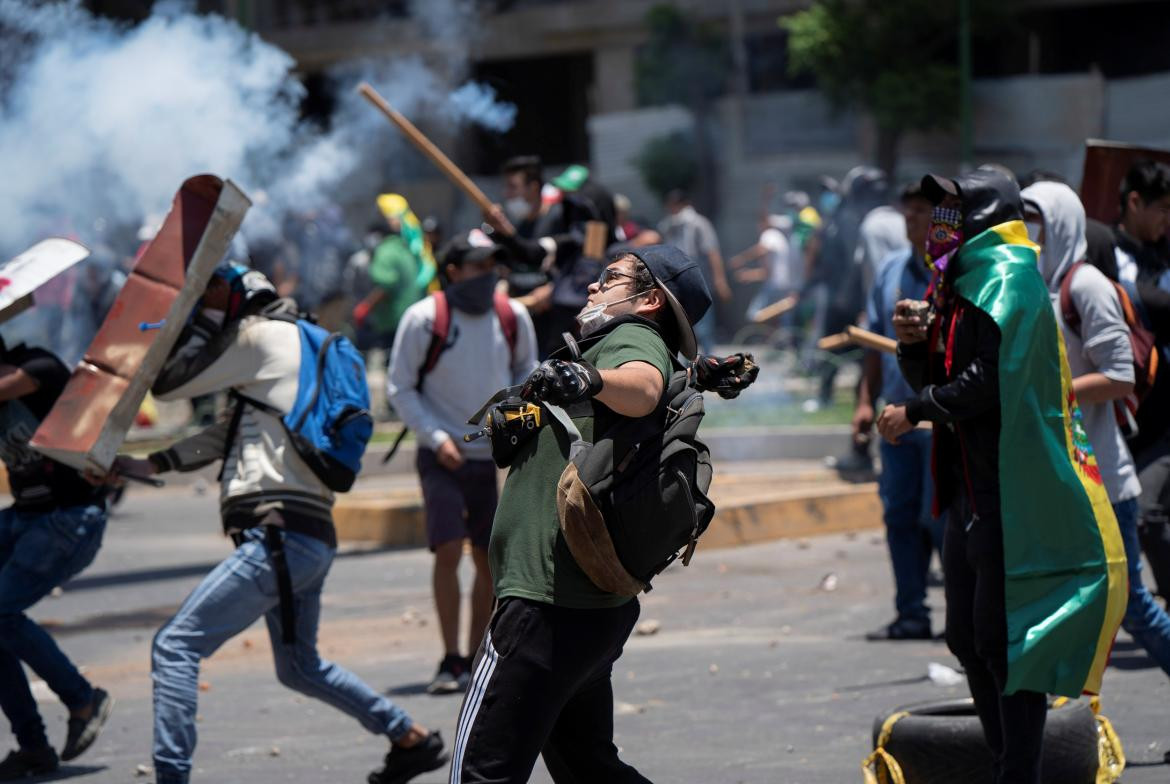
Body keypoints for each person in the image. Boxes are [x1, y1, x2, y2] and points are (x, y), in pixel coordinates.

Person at [110, 264, 446, 784]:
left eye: (210, 296)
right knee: (299, 668)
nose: (203, 307)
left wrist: (190, 323)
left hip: (276, 535)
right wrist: (151, 465)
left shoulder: (258, 336)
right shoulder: (298, 347)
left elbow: (169, 382)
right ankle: (410, 738)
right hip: (305, 537)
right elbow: (232, 430)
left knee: (175, 647)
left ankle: (170, 777)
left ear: (237, 298)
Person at [878, 169, 1126, 784]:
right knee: (966, 637)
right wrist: (913, 346)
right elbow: (935, 375)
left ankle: (1019, 773)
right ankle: (1004, 765)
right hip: (966, 487)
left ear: (982, 212)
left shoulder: (1009, 277)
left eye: (951, 209)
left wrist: (915, 412)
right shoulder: (960, 287)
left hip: (1010, 488)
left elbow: (988, 383)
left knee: (1006, 645)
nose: (940, 221)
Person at [448, 245, 712, 783]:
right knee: (589, 768)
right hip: (591, 604)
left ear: (650, 300)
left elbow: (642, 387)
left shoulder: (630, 337)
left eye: (610, 278)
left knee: (478, 773)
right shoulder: (608, 341)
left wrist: (590, 380)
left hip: (545, 598)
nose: (593, 286)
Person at [1023, 179, 1170, 678]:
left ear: (1061, 221)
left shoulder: (1084, 286)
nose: (1027, 228)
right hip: (1059, 483)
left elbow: (1119, 375)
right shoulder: (1031, 286)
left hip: (1103, 483)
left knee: (1134, 610)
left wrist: (1051, 395)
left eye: (1035, 216)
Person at [387, 236, 537, 695]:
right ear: (452, 270)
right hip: (441, 456)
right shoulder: (424, 318)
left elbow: (526, 371)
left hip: (490, 456)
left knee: (487, 559)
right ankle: (450, 657)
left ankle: (476, 657)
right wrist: (436, 437)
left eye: (492, 263)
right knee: (448, 550)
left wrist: (509, 419)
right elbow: (400, 388)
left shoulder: (512, 315)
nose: (487, 272)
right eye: (477, 265)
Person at [0, 339, 113, 780]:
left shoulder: (39, 367)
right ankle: (33, 747)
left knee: (2, 613)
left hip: (68, 518)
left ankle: (83, 699)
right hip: (26, 518)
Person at [857, 182, 941, 641]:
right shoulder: (890, 269)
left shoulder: (951, 275)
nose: (913, 220)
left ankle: (967, 616)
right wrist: (864, 402)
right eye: (908, 211)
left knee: (940, 520)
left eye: (922, 212)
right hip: (896, 419)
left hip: (939, 417)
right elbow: (871, 344)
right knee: (900, 516)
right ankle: (911, 611)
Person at [1111, 160, 1170, 598]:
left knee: (1149, 516)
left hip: (1162, 422)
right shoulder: (1107, 257)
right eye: (1162, 209)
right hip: (1126, 419)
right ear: (1135, 203)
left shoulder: (1162, 254)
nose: (1166, 220)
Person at [352, 193, 434, 355]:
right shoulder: (404, 247)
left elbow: (386, 285)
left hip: (394, 323)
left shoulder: (386, 251)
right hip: (413, 321)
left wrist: (366, 306)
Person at [657, 190, 731, 351]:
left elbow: (712, 252)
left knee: (703, 327)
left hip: (699, 281)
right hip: (676, 282)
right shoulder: (669, 225)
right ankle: (685, 369)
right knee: (682, 328)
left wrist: (720, 280)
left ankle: (707, 363)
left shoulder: (698, 223)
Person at [731, 215, 797, 324]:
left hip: (774, 285)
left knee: (753, 315)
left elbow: (761, 250)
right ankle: (777, 332)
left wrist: (741, 259)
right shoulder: (779, 237)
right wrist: (749, 275)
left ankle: (781, 311)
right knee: (782, 320)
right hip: (783, 284)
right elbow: (768, 272)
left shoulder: (769, 234)